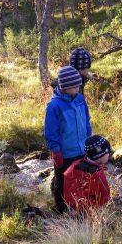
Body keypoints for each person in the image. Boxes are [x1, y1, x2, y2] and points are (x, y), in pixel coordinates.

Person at [44, 66, 92, 213]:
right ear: (65, 87)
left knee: (80, 179)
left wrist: (88, 142)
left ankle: (79, 205)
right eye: (75, 86)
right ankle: (61, 209)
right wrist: (56, 151)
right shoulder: (54, 106)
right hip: (64, 153)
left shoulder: (80, 99)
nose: (78, 88)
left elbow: (87, 121)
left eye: (79, 85)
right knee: (62, 181)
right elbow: (51, 131)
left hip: (81, 150)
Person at [63, 135, 111, 214]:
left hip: (72, 208)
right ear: (99, 156)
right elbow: (104, 197)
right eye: (107, 152)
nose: (109, 154)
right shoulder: (96, 174)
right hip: (89, 212)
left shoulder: (75, 165)